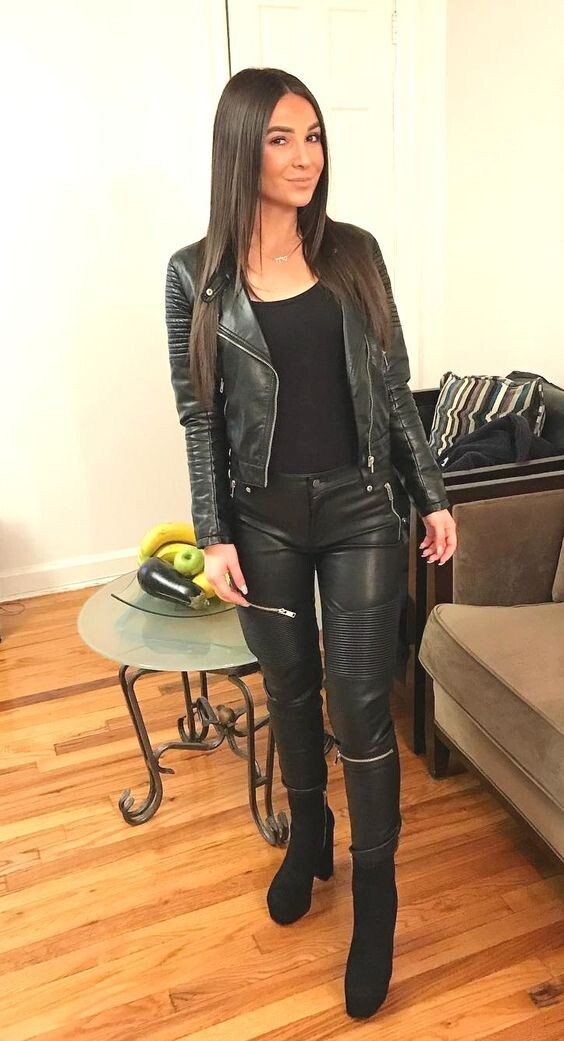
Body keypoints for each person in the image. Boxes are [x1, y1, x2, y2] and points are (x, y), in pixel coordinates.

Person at [165, 67, 457, 1019]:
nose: (305, 158)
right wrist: (213, 534)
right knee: (288, 684)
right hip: (264, 518)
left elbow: (395, 384)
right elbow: (200, 419)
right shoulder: (195, 275)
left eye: (315, 136)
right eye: (282, 138)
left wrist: (431, 493)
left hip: (363, 507)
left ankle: (376, 895)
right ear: (240, 148)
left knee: (360, 700)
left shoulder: (355, 254)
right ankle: (308, 831)